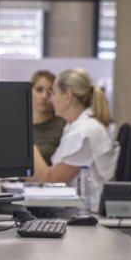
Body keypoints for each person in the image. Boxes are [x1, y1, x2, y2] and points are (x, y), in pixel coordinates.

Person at [31, 68, 116, 209]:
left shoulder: (83, 132)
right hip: (79, 207)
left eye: (54, 93)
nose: (50, 100)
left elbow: (51, 179)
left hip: (90, 213)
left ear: (68, 96)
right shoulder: (75, 126)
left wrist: (27, 141)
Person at [30, 70, 65, 163]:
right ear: (30, 91)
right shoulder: (18, 125)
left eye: (50, 92)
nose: (44, 96)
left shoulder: (63, 125)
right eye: (39, 90)